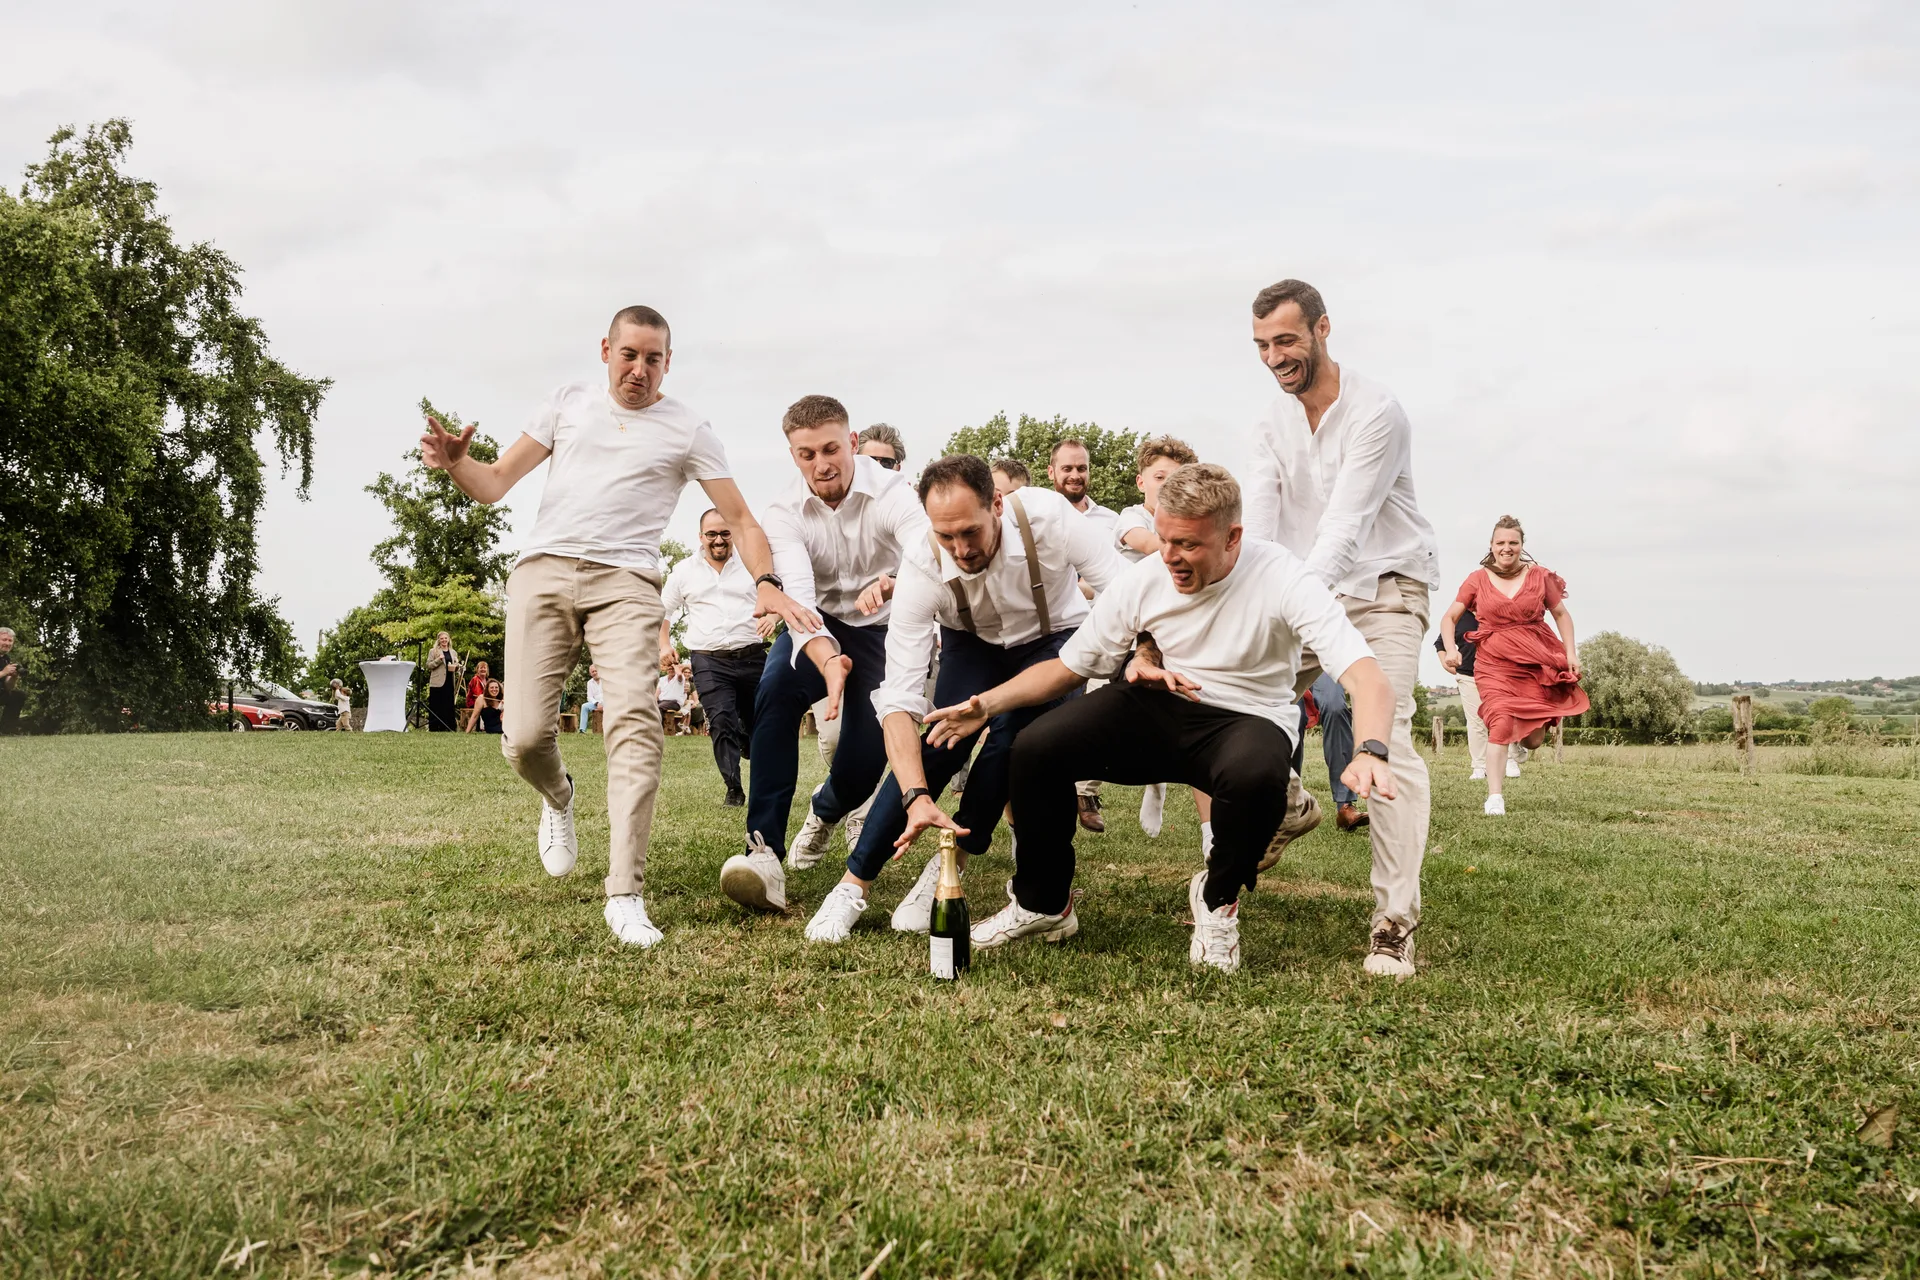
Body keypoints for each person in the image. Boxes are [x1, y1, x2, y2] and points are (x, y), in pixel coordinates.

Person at [420, 304, 816, 950]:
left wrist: (768, 584)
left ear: (668, 363)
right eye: (629, 354)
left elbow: (740, 518)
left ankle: (625, 892)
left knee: (635, 722)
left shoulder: (687, 428)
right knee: (521, 739)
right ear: (605, 350)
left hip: (627, 583)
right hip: (543, 572)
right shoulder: (566, 403)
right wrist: (456, 464)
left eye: (653, 358)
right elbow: (492, 484)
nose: (640, 369)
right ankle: (558, 796)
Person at [925, 464, 1397, 974]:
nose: (1171, 557)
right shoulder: (1148, 577)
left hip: (1248, 717)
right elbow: (1067, 666)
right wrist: (987, 705)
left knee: (1258, 776)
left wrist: (1371, 749)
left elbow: (1366, 675)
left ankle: (1217, 902)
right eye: (1165, 539)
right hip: (1163, 702)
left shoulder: (1283, 576)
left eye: (1189, 545)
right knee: (1036, 747)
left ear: (1233, 537)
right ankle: (1044, 904)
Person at [804, 454, 1124, 942]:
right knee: (937, 742)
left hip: (1054, 636)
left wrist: (1143, 651)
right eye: (945, 535)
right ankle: (851, 887)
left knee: (1015, 740)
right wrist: (915, 795)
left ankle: (952, 857)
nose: (959, 548)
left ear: (997, 503)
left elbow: (1126, 590)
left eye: (969, 532)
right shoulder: (921, 563)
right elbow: (898, 698)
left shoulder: (1050, 518)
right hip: (972, 642)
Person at [1241, 278, 1440, 978]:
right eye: (1263, 345)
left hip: (1383, 584)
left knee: (1392, 738)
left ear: (1324, 330)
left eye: (1287, 341)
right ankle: (1290, 804)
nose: (1275, 356)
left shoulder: (1378, 411)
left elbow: (1346, 529)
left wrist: (1288, 598)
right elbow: (1261, 529)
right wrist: (1250, 607)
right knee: (1236, 700)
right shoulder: (1269, 424)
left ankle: (1393, 922)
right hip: (1301, 586)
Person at [720, 395, 927, 913]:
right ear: (793, 456)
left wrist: (898, 581)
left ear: (852, 443)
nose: (822, 464)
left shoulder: (894, 493)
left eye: (832, 448)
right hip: (818, 624)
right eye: (807, 454)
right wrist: (829, 660)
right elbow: (802, 602)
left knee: (860, 766)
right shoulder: (783, 511)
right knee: (775, 690)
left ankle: (825, 808)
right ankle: (762, 851)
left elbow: (927, 549)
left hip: (883, 629)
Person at [1439, 516, 1588, 816]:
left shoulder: (1540, 577)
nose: (1507, 548)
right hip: (1493, 665)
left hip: (1535, 662)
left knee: (1533, 740)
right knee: (1500, 721)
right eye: (1501, 543)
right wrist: (1451, 650)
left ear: (1521, 546)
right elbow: (1449, 618)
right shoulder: (1476, 579)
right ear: (1491, 547)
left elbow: (1561, 615)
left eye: (1513, 543)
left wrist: (1570, 652)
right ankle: (1495, 797)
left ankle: (1526, 733)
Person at [1112, 435, 1205, 844]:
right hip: (1136, 630)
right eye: (1160, 477)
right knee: (1132, 721)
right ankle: (1153, 780)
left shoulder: (1197, 521)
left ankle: (1210, 833)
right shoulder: (1131, 517)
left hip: (1185, 629)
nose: (1168, 486)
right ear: (1141, 482)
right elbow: (1149, 544)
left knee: (1205, 716)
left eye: (1178, 480)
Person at [659, 509, 771, 804]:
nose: (719, 540)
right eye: (712, 534)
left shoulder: (752, 563)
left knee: (757, 722)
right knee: (721, 721)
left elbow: (776, 596)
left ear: (733, 533)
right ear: (701, 537)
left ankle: (749, 746)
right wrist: (663, 644)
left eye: (724, 533)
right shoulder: (684, 571)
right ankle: (734, 788)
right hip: (709, 660)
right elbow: (663, 611)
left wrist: (772, 616)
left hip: (752, 655)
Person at [1046, 437, 1120, 833]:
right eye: (1068, 468)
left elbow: (1116, 579)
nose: (1076, 475)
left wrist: (1083, 584)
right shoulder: (1041, 517)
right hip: (1056, 630)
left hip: (1103, 629)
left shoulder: (1109, 521)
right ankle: (1060, 793)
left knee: (1099, 710)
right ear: (1052, 472)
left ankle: (1084, 790)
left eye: (1082, 468)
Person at [1301, 671, 1368, 832]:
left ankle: (1345, 806)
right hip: (1286, 657)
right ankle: (1287, 801)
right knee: (1295, 718)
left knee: (1335, 708)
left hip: (1322, 656)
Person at [1434, 607, 1490, 778]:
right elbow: (1440, 643)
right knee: (1475, 722)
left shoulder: (1495, 610)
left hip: (1497, 675)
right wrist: (1447, 664)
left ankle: (1510, 758)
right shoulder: (1458, 615)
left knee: (1501, 718)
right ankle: (1479, 766)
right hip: (1468, 675)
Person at [425, 632, 464, 731]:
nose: (444, 640)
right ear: (438, 640)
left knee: (448, 704)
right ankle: (434, 727)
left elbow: (455, 665)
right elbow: (429, 665)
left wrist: (459, 667)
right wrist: (438, 660)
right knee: (436, 705)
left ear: (449, 639)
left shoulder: (453, 652)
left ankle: (448, 727)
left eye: (445, 638)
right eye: (442, 638)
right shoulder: (433, 651)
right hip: (437, 682)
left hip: (449, 681)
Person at [0, 628, 25, 734]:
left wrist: (13, 677)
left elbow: (8, 687)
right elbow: (3, 673)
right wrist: (3, 672)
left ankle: (6, 730)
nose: (7, 643)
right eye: (4, 640)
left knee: (18, 695)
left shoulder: (6, 658)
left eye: (10, 641)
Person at [657, 664, 688, 732]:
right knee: (649, 706)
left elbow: (679, 674)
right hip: (662, 701)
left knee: (659, 707)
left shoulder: (679, 677)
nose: (671, 670)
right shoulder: (662, 679)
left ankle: (658, 730)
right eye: (669, 669)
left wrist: (674, 664)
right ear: (666, 670)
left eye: (672, 669)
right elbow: (657, 692)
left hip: (675, 702)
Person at [576, 664, 604, 734]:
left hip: (607, 703)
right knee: (584, 706)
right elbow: (589, 697)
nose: (594, 673)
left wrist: (604, 705)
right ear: (590, 674)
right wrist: (597, 704)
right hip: (596, 704)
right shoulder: (589, 683)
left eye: (595, 671)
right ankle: (582, 730)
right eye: (592, 672)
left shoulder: (605, 680)